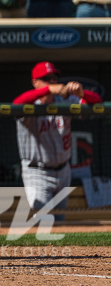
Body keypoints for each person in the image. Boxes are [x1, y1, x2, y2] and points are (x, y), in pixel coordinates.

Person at [13, 62, 101, 213]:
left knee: (60, 224)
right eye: (47, 78)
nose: (53, 81)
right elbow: (16, 104)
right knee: (44, 223)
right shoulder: (30, 104)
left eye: (55, 77)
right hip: (37, 172)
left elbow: (97, 102)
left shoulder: (64, 101)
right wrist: (48, 89)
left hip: (63, 171)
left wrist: (82, 93)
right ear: (35, 83)